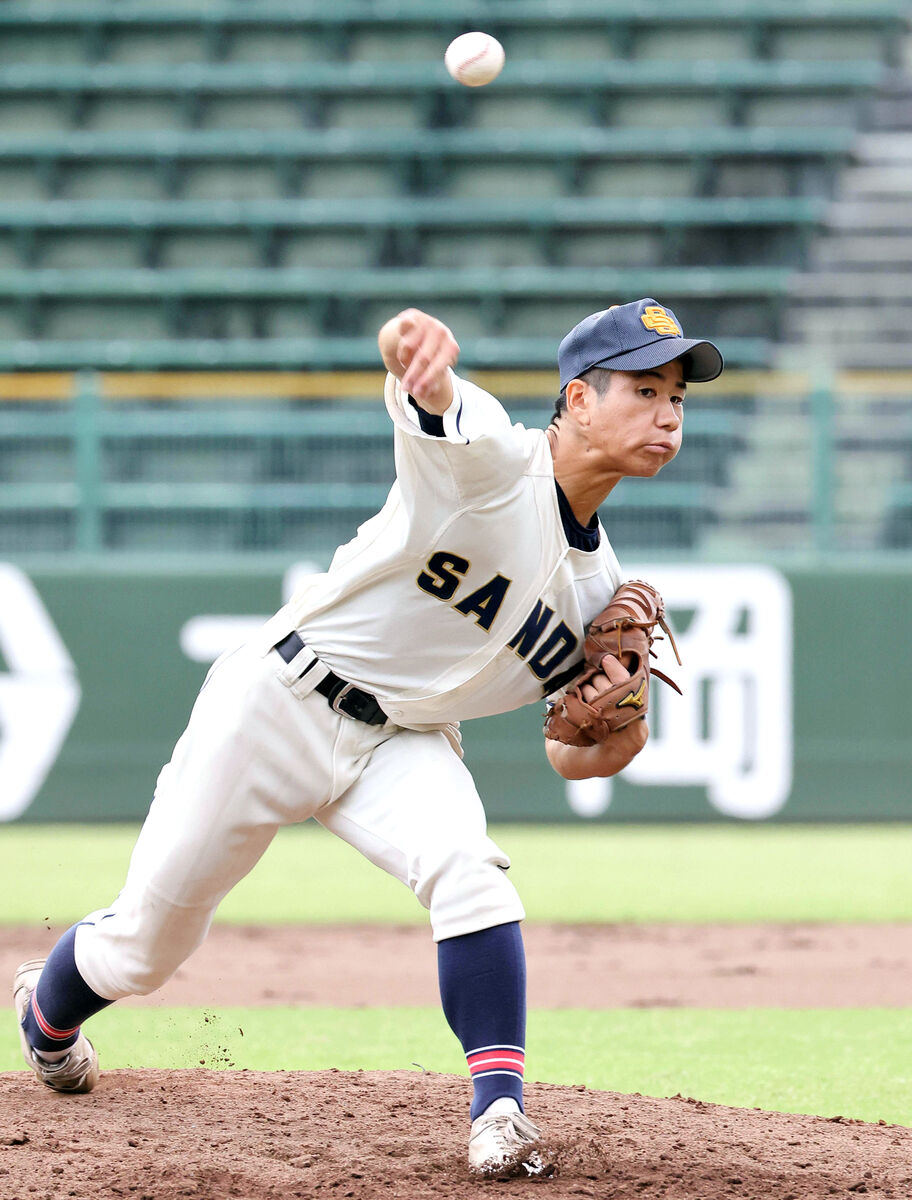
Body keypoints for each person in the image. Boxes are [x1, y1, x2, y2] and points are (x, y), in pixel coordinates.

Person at [13, 297, 722, 1175]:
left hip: (403, 742)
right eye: (646, 388)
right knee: (147, 947)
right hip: (279, 700)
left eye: (679, 397)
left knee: (470, 870)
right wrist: (409, 342)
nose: (668, 412)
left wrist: (616, 732)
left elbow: (574, 757)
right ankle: (45, 1018)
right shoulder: (489, 458)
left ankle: (499, 1113)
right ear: (578, 399)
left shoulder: (596, 595)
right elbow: (421, 382)